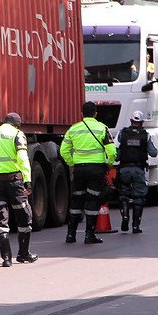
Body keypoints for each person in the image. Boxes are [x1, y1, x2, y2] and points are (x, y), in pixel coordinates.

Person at [0, 112, 37, 267]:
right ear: (17, 124)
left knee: (1, 219)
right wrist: (27, 181)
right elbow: (23, 159)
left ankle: (6, 258)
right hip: (15, 183)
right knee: (24, 217)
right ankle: (23, 254)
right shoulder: (17, 134)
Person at [60, 101, 117, 244]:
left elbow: (63, 151)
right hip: (96, 169)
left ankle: (70, 235)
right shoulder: (102, 128)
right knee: (92, 199)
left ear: (81, 114)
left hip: (79, 169)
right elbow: (111, 150)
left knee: (77, 199)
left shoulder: (73, 129)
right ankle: (89, 235)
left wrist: (72, 163)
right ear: (96, 113)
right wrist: (110, 163)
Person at [115, 110, 158, 234]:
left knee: (124, 195)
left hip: (124, 169)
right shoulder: (146, 135)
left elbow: (116, 151)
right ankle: (135, 226)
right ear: (142, 122)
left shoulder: (122, 133)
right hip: (139, 169)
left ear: (131, 121)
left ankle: (125, 216)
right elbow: (153, 152)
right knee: (139, 197)